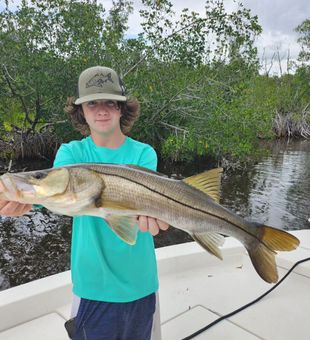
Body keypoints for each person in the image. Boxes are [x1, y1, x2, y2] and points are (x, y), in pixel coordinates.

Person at [0, 66, 169, 340]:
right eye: (92, 103)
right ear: (81, 110)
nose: (101, 110)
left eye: (110, 103)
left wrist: (153, 220)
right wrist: (23, 200)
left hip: (142, 283)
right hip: (94, 287)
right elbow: (53, 193)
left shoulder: (143, 153)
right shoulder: (71, 152)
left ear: (121, 109)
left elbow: (144, 220)